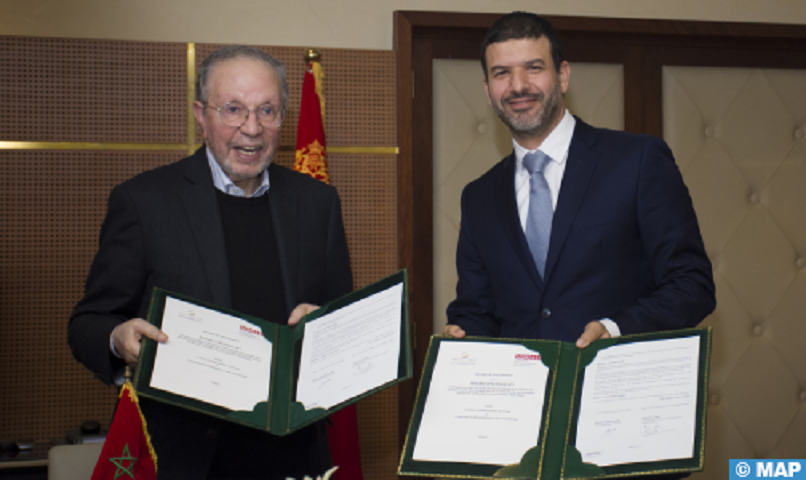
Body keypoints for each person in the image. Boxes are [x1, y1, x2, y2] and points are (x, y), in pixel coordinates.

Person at [68, 45, 353, 479]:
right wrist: (117, 338)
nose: (251, 128)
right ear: (201, 115)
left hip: (294, 455)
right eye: (233, 109)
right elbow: (88, 322)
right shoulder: (144, 202)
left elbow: (342, 315)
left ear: (283, 116)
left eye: (267, 110)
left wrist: (328, 329)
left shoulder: (317, 202)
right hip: (184, 459)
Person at [443, 12, 715, 350]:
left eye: (533, 68)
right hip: (523, 384)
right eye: (502, 73)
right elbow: (477, 311)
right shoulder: (478, 197)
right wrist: (462, 335)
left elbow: (692, 285)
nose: (518, 86)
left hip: (616, 377)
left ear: (563, 76)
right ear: (488, 90)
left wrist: (617, 328)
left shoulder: (638, 161)